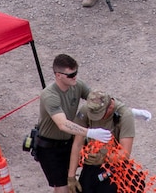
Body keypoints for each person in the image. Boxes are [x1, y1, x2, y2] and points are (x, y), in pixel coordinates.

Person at [34, 54, 93, 193]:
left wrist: (125, 110)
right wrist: (90, 133)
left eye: (76, 72)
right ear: (58, 75)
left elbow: (96, 99)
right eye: (71, 74)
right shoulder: (50, 95)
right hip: (50, 149)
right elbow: (63, 124)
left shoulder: (77, 85)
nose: (75, 77)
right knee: (63, 188)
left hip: (68, 142)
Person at [69, 91, 140, 193]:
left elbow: (125, 153)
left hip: (115, 167)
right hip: (91, 163)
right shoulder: (87, 110)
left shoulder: (125, 115)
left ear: (110, 107)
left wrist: (104, 157)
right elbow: (77, 144)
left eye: (99, 115)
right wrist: (71, 176)